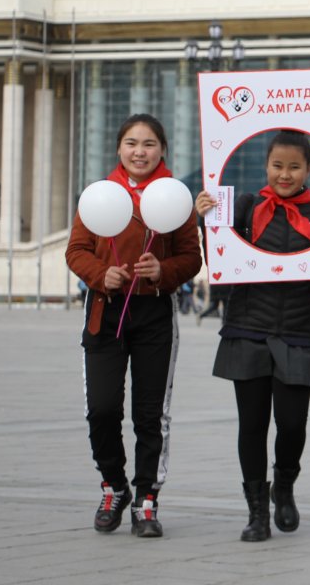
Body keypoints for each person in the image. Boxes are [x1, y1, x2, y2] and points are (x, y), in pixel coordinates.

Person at [195, 130, 310, 542]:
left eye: (294, 167)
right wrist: (206, 217)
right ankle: (256, 512)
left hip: (298, 331)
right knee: (251, 425)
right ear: (266, 166)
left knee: (292, 424)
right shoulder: (245, 207)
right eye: (277, 166)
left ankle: (283, 484)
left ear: (308, 169)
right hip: (247, 327)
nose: (284, 174)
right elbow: (220, 257)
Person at [66, 114, 202, 538]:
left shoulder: (175, 198)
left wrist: (163, 270)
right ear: (118, 149)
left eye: (148, 144)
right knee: (102, 409)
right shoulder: (99, 196)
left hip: (154, 315)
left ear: (163, 150)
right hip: (104, 313)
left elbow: (191, 258)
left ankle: (147, 499)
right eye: (131, 143)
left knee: (150, 414)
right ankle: (113, 486)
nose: (139, 151)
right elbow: (76, 250)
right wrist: (99, 274)